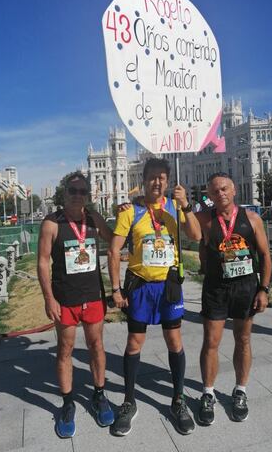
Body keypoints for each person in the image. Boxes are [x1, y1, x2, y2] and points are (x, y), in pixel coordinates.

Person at [108, 157, 201, 436]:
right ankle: (128, 402)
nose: (157, 182)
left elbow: (196, 235)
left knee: (174, 341)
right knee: (134, 342)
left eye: (162, 177)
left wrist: (186, 205)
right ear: (144, 179)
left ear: (168, 181)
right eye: (152, 177)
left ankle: (178, 400)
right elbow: (113, 251)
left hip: (168, 285)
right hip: (140, 286)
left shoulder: (174, 207)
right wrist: (115, 289)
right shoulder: (130, 212)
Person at [38, 171, 115, 438]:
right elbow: (43, 262)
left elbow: (116, 239)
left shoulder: (93, 218)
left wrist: (131, 209)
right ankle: (68, 403)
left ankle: (99, 395)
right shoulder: (52, 223)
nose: (78, 196)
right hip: (65, 298)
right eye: (73, 191)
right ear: (64, 193)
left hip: (93, 295)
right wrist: (49, 297)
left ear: (88, 195)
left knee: (96, 346)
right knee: (65, 349)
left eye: (83, 191)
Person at [195, 172, 272, 425]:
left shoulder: (251, 218)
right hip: (216, 288)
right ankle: (208, 393)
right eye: (215, 191)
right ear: (209, 196)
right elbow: (181, 223)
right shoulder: (205, 220)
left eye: (225, 188)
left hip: (245, 288)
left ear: (235, 189)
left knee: (243, 338)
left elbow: (264, 255)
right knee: (211, 341)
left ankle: (241, 390)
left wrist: (264, 289)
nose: (221, 194)